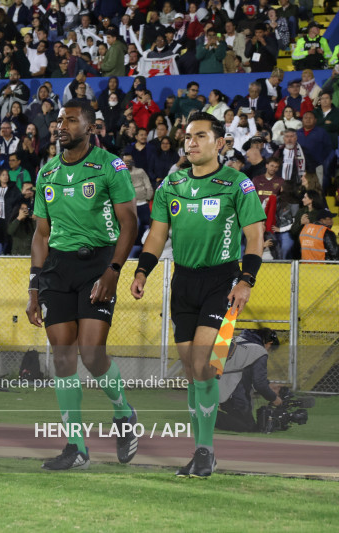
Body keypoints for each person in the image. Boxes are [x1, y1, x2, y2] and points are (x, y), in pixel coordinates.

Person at [130, 112, 266, 478]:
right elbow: (157, 236)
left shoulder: (238, 184)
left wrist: (246, 280)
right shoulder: (170, 184)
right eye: (188, 136)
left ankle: (205, 451)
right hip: (183, 282)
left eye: (200, 135)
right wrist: (142, 270)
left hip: (222, 280)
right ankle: (201, 451)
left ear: (219, 143)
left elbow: (254, 237)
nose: (191, 142)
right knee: (193, 372)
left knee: (204, 364)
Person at [27, 102, 139, 471]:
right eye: (59, 120)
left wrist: (113, 271)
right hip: (57, 269)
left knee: (91, 354)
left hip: (97, 264)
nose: (61, 125)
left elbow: (129, 223)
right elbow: (41, 235)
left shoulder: (110, 166)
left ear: (90, 127)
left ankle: (124, 413)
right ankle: (76, 448)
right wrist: (33, 286)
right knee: (63, 358)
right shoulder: (47, 172)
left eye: (70, 120)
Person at [216, 328, 282, 432]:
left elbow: (242, 369)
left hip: (220, 391)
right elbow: (259, 384)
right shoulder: (259, 351)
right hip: (236, 396)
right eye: (270, 348)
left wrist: (268, 384)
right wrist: (275, 399)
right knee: (248, 426)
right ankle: (209, 418)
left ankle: (208, 413)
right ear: (269, 343)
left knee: (241, 420)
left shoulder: (236, 340)